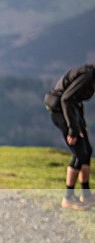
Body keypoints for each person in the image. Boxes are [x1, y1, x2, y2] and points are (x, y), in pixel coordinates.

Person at [44, 64, 95, 210]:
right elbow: (66, 99)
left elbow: (75, 100)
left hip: (70, 112)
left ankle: (86, 194)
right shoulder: (88, 76)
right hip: (60, 112)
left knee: (88, 151)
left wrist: (81, 125)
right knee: (79, 153)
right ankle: (68, 198)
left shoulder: (91, 75)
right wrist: (73, 129)